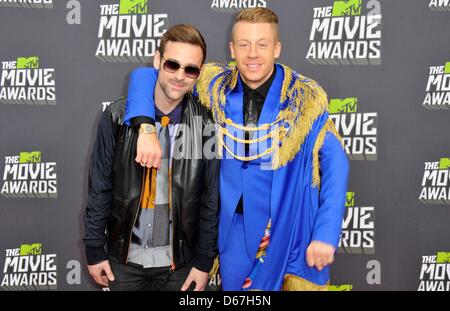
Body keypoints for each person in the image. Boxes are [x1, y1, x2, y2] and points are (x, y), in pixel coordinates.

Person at [124, 8, 349, 291]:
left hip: (285, 229)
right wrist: (145, 127)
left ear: (277, 48)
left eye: (262, 44)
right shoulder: (212, 85)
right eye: (244, 44)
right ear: (232, 48)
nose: (252, 54)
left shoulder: (305, 99)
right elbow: (147, 77)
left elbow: (336, 164)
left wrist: (326, 233)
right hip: (230, 234)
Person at [83, 24, 220, 291]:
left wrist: (204, 261)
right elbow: (99, 187)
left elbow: (209, 197)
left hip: (180, 266)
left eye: (190, 69)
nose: (180, 76)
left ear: (198, 74)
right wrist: (94, 249)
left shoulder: (205, 123)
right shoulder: (116, 117)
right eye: (172, 65)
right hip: (123, 262)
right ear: (157, 60)